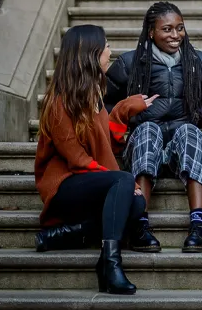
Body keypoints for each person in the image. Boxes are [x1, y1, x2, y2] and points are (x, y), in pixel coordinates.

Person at [35, 24, 151, 295]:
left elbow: (102, 138)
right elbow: (77, 160)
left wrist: (124, 107)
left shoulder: (92, 94)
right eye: (106, 46)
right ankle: (112, 264)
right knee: (124, 182)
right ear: (89, 53)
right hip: (64, 185)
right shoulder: (59, 102)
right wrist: (120, 180)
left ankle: (72, 237)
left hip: (88, 181)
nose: (110, 51)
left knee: (136, 204)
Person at [105, 2, 202, 254]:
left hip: (181, 144)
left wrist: (196, 116)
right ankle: (139, 224)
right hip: (143, 142)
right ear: (151, 32)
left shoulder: (199, 62)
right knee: (147, 130)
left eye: (180, 28)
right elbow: (106, 107)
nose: (175, 35)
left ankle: (198, 225)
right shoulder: (129, 64)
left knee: (190, 131)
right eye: (167, 29)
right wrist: (130, 112)